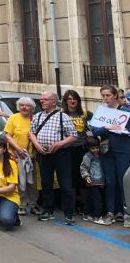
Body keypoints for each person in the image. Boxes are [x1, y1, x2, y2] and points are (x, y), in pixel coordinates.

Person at [29, 91, 78, 225]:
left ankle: (69, 213)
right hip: (44, 154)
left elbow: (73, 135)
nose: (42, 101)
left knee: (66, 184)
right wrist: (37, 145)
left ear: (54, 102)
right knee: (46, 183)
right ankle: (48, 210)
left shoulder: (63, 117)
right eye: (41, 99)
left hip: (61, 154)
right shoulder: (38, 116)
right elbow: (32, 133)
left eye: (45, 99)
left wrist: (59, 144)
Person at [90, 85, 130, 226]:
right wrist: (105, 128)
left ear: (115, 96)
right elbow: (94, 129)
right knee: (110, 182)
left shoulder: (125, 110)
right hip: (107, 150)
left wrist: (123, 129)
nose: (105, 98)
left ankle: (126, 214)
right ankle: (111, 212)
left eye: (108, 95)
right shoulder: (102, 112)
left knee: (123, 182)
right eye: (103, 96)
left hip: (123, 150)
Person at [4, 97, 39, 215]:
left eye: (27, 105)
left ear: (32, 108)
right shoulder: (13, 118)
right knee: (19, 181)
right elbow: (8, 136)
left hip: (31, 156)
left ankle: (34, 204)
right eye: (22, 105)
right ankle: (21, 204)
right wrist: (17, 149)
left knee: (32, 181)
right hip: (15, 155)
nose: (24, 107)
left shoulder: (35, 119)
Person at [62, 90, 93, 217]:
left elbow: (97, 122)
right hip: (67, 149)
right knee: (71, 178)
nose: (72, 101)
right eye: (69, 99)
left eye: (74, 99)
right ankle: (72, 206)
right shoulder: (61, 114)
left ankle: (84, 206)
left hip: (82, 148)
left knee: (83, 177)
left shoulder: (85, 113)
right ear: (66, 101)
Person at [80, 137, 105, 224]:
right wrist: (86, 177)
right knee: (97, 199)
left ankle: (86, 213)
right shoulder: (88, 156)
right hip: (92, 181)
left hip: (99, 180)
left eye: (97, 147)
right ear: (88, 148)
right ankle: (97, 216)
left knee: (90, 198)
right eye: (93, 148)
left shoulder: (101, 155)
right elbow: (83, 167)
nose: (95, 150)